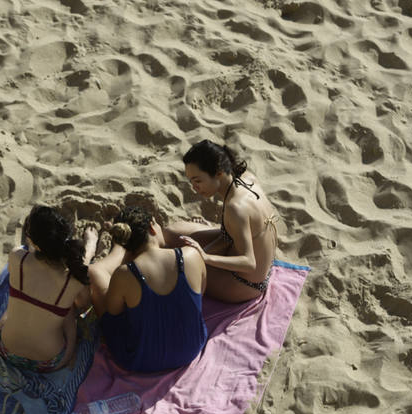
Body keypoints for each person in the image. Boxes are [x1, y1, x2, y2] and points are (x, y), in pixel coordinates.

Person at [88, 206, 207, 373]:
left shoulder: (124, 274)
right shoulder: (191, 255)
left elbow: (114, 314)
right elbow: (200, 293)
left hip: (140, 361)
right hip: (190, 349)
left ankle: (118, 250)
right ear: (152, 226)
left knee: (95, 274)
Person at [164, 140, 279, 303]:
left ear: (218, 173)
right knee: (171, 233)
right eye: (191, 182)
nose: (194, 188)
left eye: (197, 181)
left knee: (177, 266)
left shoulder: (235, 208)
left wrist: (205, 256)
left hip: (245, 284)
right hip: (256, 262)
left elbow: (249, 263)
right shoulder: (247, 178)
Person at [0, 205, 94, 373]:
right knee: (68, 308)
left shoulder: (17, 257)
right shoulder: (72, 280)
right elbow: (84, 304)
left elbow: (33, 256)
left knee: (17, 303)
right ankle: (70, 346)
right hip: (49, 362)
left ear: (35, 243)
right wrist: (90, 246)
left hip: (6, 350)